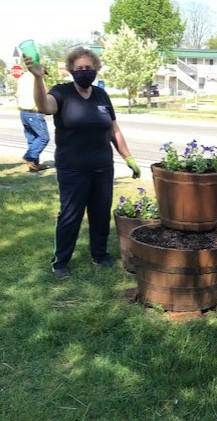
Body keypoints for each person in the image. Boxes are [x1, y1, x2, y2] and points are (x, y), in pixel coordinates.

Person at [23, 46, 141, 278]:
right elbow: (45, 107)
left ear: (95, 69)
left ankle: (100, 254)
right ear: (70, 70)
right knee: (70, 214)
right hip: (73, 168)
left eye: (89, 67)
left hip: (102, 167)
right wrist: (38, 78)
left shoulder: (101, 95)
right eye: (79, 68)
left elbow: (113, 129)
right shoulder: (62, 92)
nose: (85, 72)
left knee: (100, 212)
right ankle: (60, 261)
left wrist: (128, 157)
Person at [16, 67, 50, 171]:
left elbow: (17, 94)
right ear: (41, 70)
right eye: (44, 73)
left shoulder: (22, 77)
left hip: (23, 112)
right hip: (33, 112)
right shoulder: (36, 77)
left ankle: (34, 165)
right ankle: (28, 157)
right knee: (44, 138)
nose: (44, 75)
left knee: (33, 139)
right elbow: (45, 93)